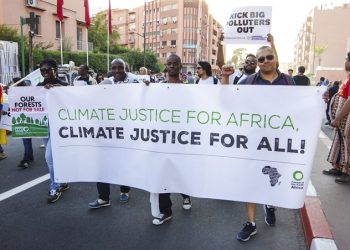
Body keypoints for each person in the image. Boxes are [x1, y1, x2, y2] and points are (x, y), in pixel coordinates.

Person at [236, 45, 294, 242]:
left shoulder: (288, 81)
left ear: (276, 58)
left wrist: (321, 100)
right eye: (261, 59)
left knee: (272, 177)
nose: (265, 61)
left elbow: (301, 105)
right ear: (258, 63)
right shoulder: (249, 82)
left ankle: (269, 204)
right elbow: (229, 101)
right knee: (251, 180)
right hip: (253, 141)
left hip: (279, 142)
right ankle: (251, 223)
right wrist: (225, 79)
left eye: (269, 57)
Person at [88, 58, 138, 209]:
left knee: (123, 162)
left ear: (125, 68)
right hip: (108, 129)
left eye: (120, 68)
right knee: (102, 163)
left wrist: (147, 87)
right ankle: (103, 197)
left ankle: (124, 190)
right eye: (114, 68)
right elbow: (89, 96)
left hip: (126, 130)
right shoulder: (106, 83)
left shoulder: (134, 81)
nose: (117, 71)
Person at [151, 54, 192, 225]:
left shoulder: (191, 88)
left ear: (180, 66)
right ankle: (165, 211)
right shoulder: (157, 87)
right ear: (166, 66)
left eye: (175, 63)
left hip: (183, 140)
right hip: (162, 139)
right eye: (169, 64)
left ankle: (186, 194)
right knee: (162, 174)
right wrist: (146, 90)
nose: (172, 66)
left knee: (180, 172)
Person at [37, 59, 69, 203]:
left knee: (49, 157)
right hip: (44, 126)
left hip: (59, 127)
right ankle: (62, 180)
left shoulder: (63, 85)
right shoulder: (38, 86)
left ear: (55, 70)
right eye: (42, 70)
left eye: (48, 70)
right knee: (55, 157)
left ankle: (54, 187)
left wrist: (58, 90)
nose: (45, 73)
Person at [323, 52, 350, 184]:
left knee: (347, 143)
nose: (345, 62)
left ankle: (348, 172)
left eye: (346, 60)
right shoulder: (348, 77)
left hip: (345, 118)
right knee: (340, 142)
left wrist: (338, 117)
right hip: (342, 120)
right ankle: (339, 167)